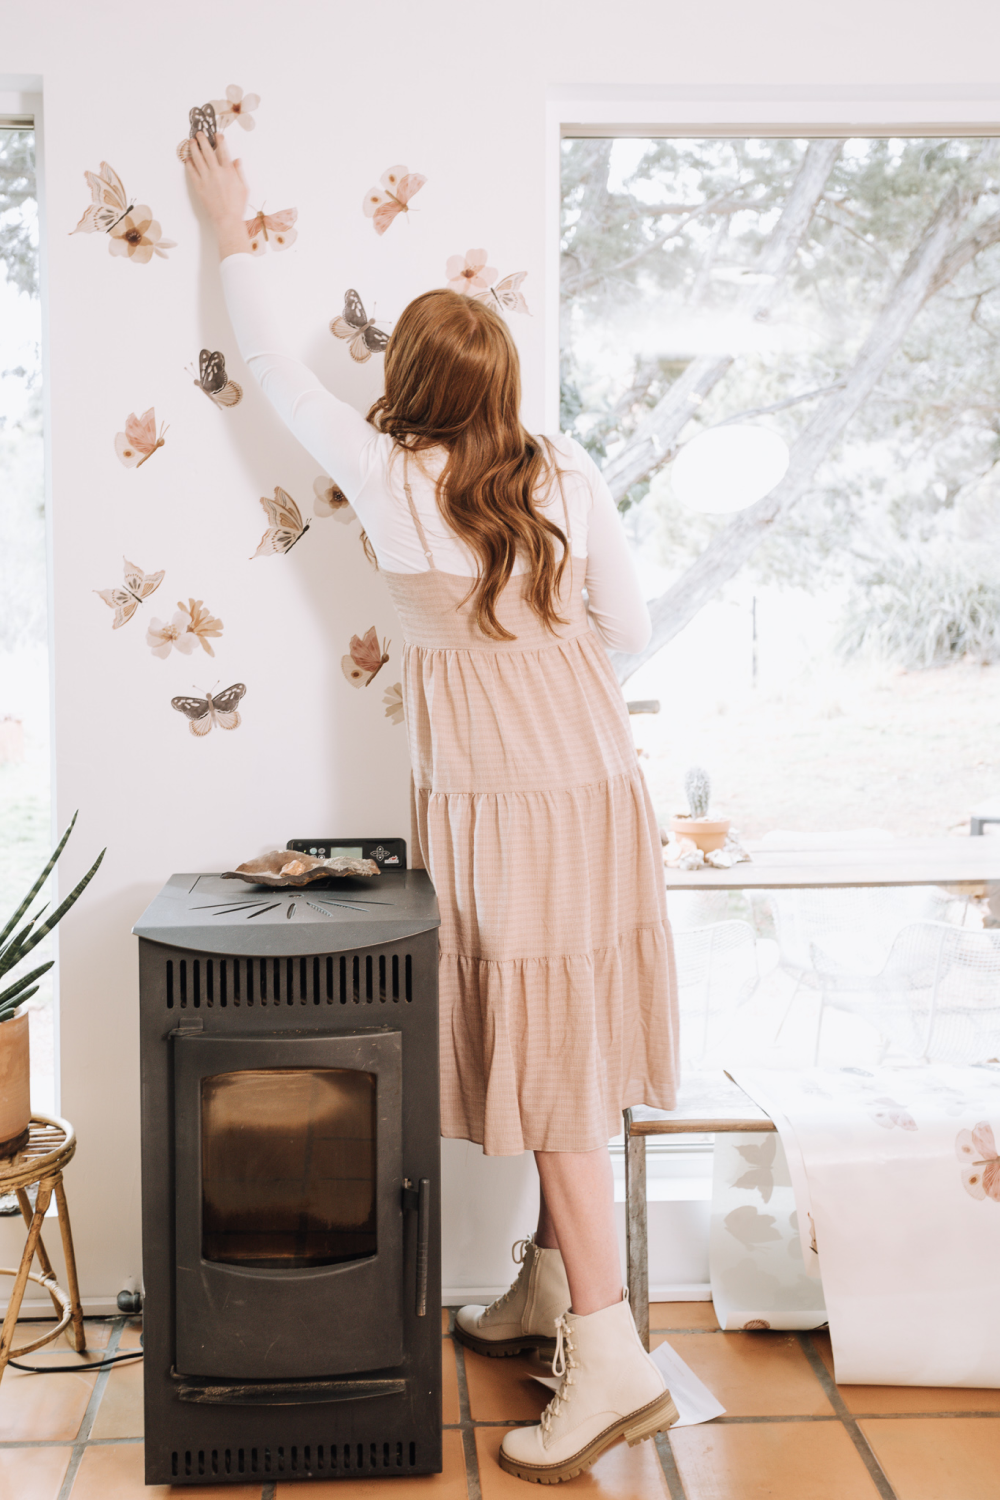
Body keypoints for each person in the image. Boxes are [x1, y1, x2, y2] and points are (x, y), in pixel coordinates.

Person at [185, 132, 680, 1485]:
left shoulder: (391, 477)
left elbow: (277, 372)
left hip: (503, 810)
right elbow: (628, 627)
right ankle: (539, 1283)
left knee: (553, 1074)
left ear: (405, 386)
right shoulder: (561, 471)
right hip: (596, 789)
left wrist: (230, 228)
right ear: (506, 382)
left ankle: (611, 1353)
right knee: (564, 1046)